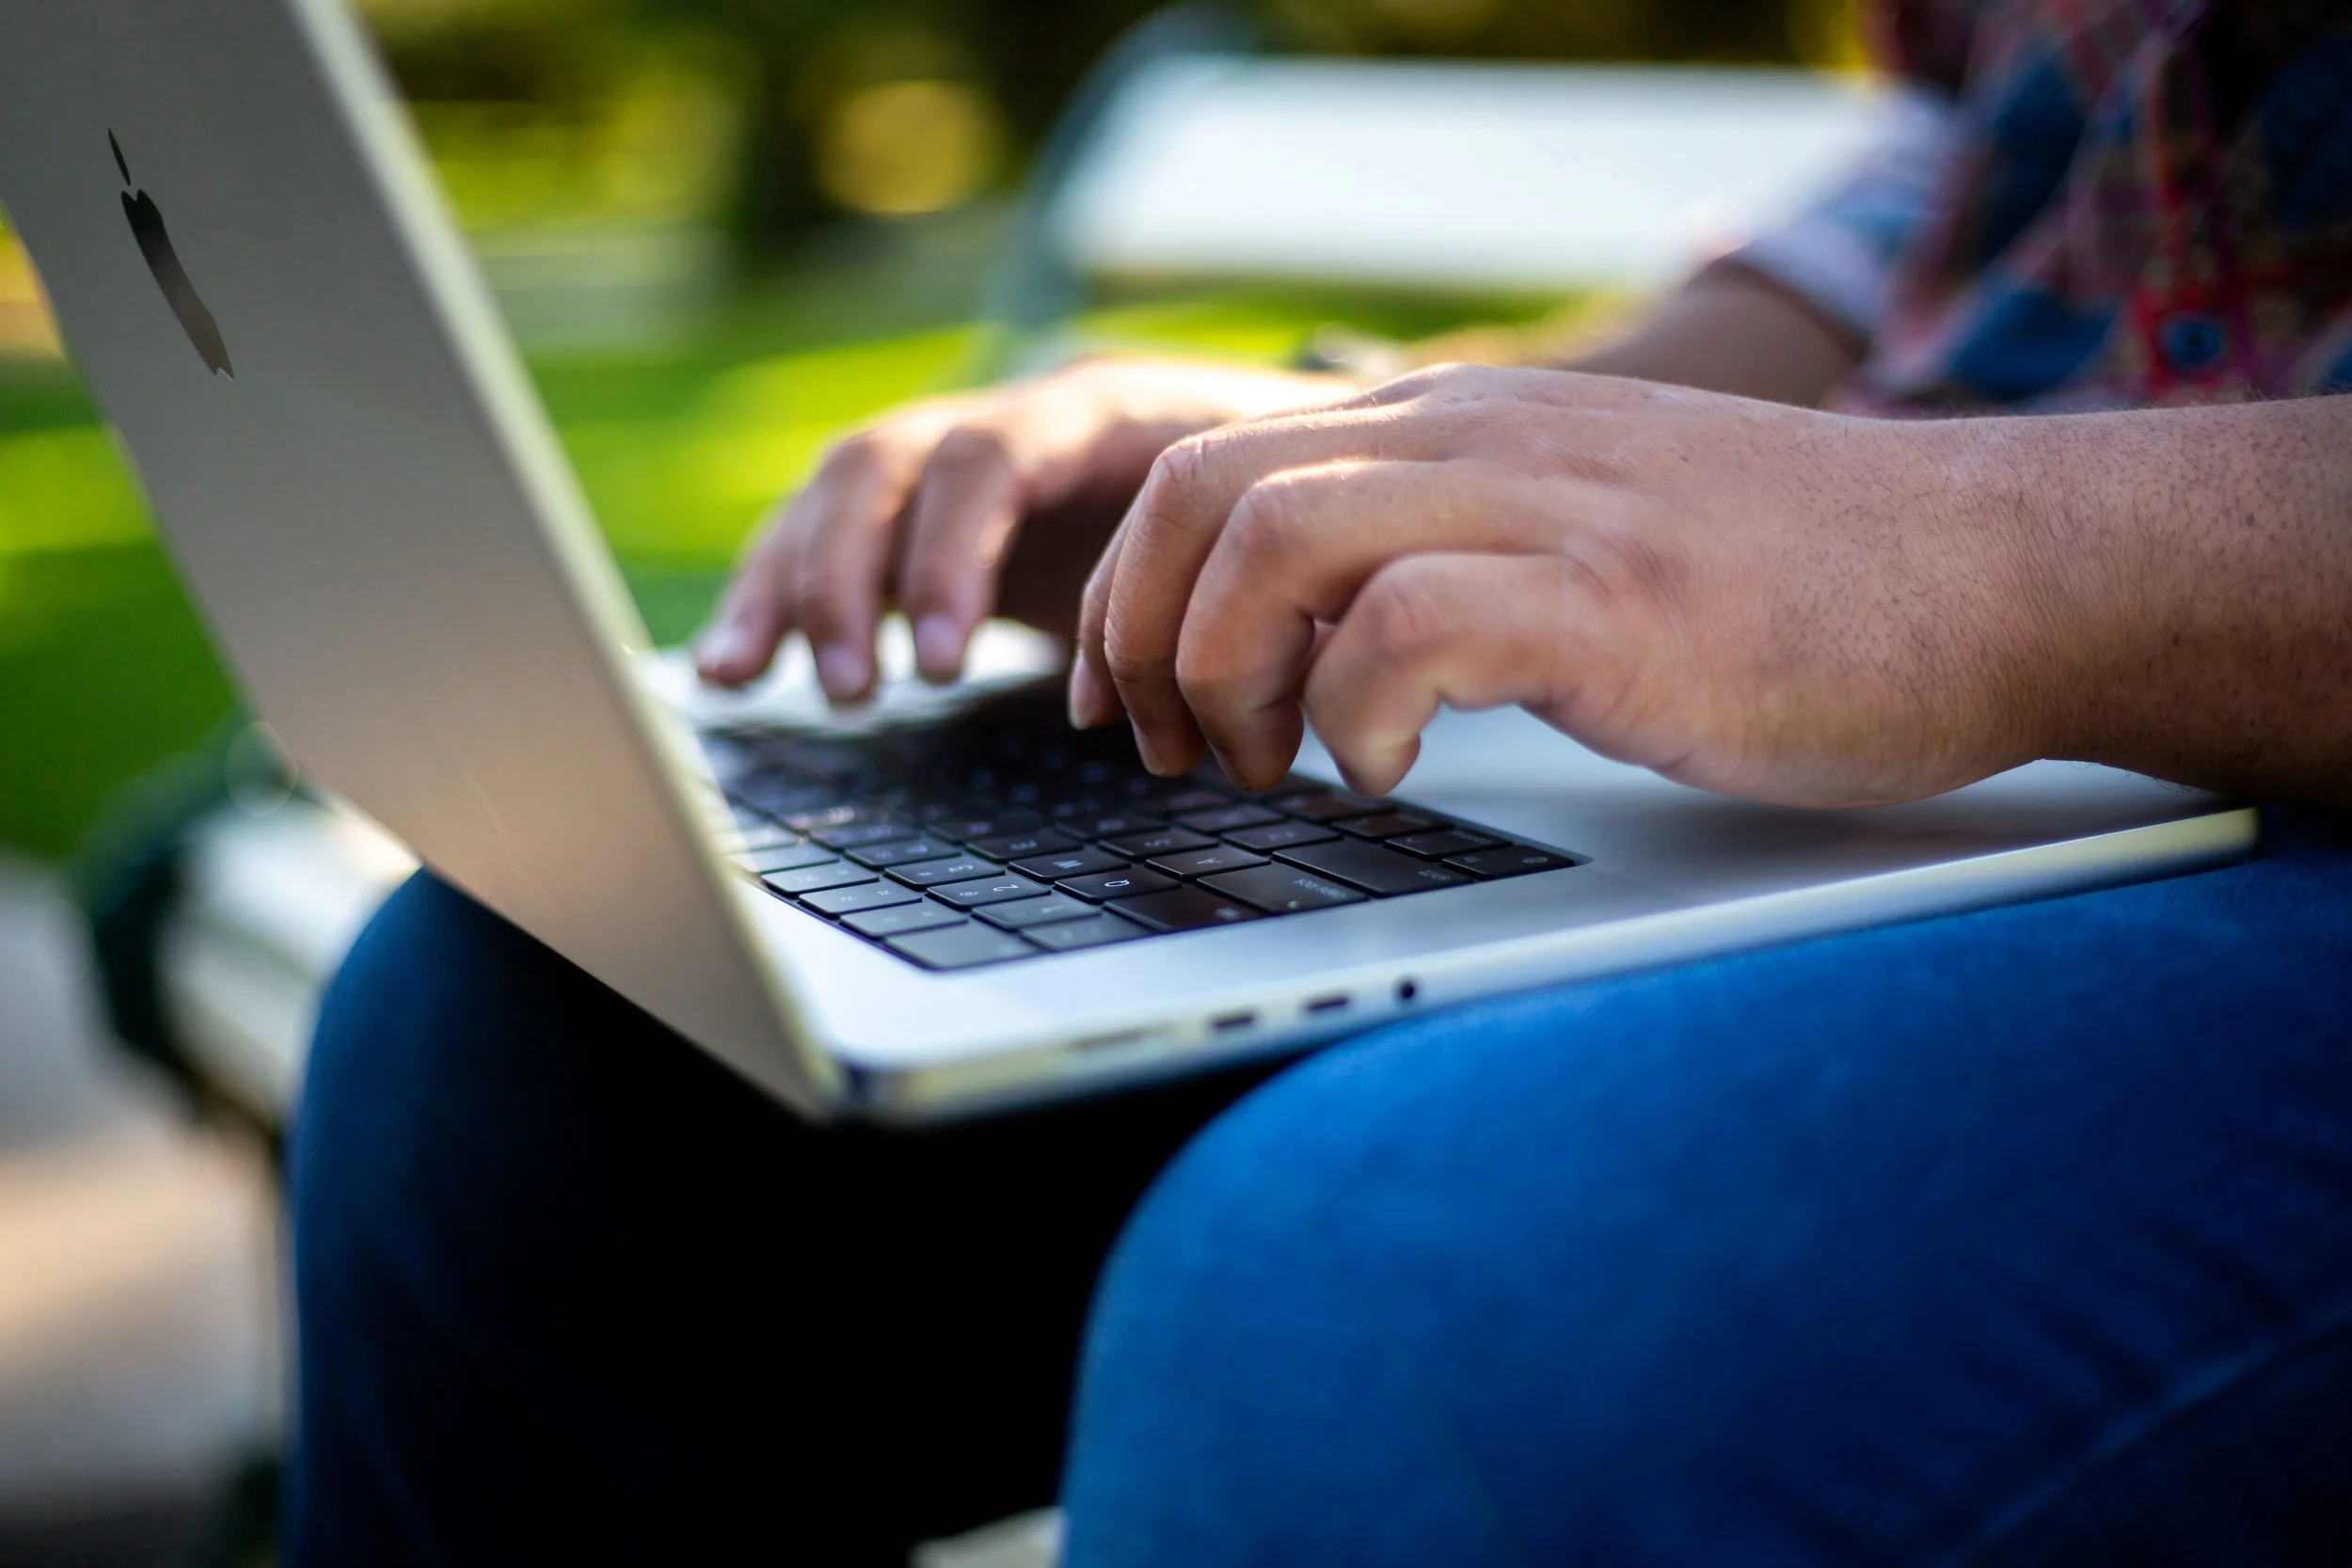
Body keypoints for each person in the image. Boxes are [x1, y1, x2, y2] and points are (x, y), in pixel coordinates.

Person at [285, 0, 2352, 1562]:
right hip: (1964, 694)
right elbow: (1982, 166)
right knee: (534, 1034)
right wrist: (1374, 449)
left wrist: (1971, 554)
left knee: (1369, 1305)